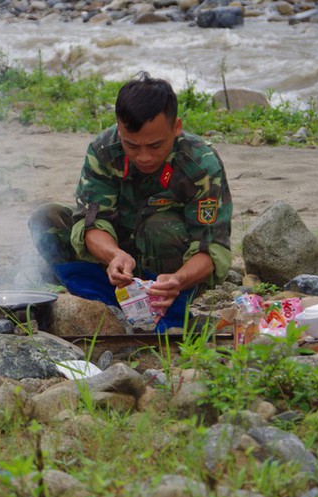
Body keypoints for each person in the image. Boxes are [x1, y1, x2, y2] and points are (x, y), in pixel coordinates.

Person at [29, 72, 232, 331]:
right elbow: (93, 222)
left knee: (159, 227)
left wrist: (177, 280)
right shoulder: (104, 150)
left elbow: (211, 248)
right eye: (132, 146)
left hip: (170, 267)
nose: (144, 157)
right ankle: (107, 301)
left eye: (155, 145)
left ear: (176, 127)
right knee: (47, 219)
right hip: (120, 258)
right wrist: (115, 255)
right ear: (119, 127)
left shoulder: (200, 164)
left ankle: (165, 309)